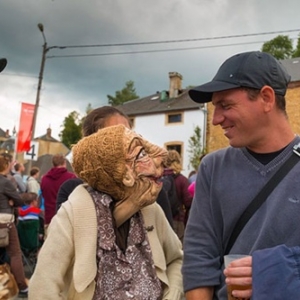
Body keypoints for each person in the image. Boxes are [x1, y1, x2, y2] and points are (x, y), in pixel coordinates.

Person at [182, 51, 300, 300]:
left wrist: (275, 270)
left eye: (226, 105)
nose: (216, 120)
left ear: (266, 98)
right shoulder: (213, 167)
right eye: (215, 108)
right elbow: (199, 256)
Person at [28, 125, 183, 299]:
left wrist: (172, 294)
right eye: (141, 155)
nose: (159, 162)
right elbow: (43, 288)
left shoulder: (150, 210)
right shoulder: (74, 214)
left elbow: (176, 259)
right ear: (121, 172)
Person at [56, 106, 174, 227]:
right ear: (91, 145)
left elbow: (169, 243)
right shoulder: (72, 190)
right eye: (114, 135)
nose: (124, 140)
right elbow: (74, 236)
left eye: (128, 134)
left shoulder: (152, 193)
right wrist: (130, 205)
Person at [0, 156, 28, 297]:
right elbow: (20, 200)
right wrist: (12, 201)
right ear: (5, 166)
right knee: (15, 254)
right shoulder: (5, 182)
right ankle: (22, 286)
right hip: (5, 222)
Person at [40, 154, 76, 230]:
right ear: (64, 163)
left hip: (49, 217)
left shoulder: (44, 179)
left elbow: (43, 195)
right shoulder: (71, 178)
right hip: (66, 218)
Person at [164, 150, 192, 240]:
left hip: (162, 219)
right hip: (177, 219)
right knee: (178, 248)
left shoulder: (159, 177)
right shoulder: (182, 180)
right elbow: (188, 201)